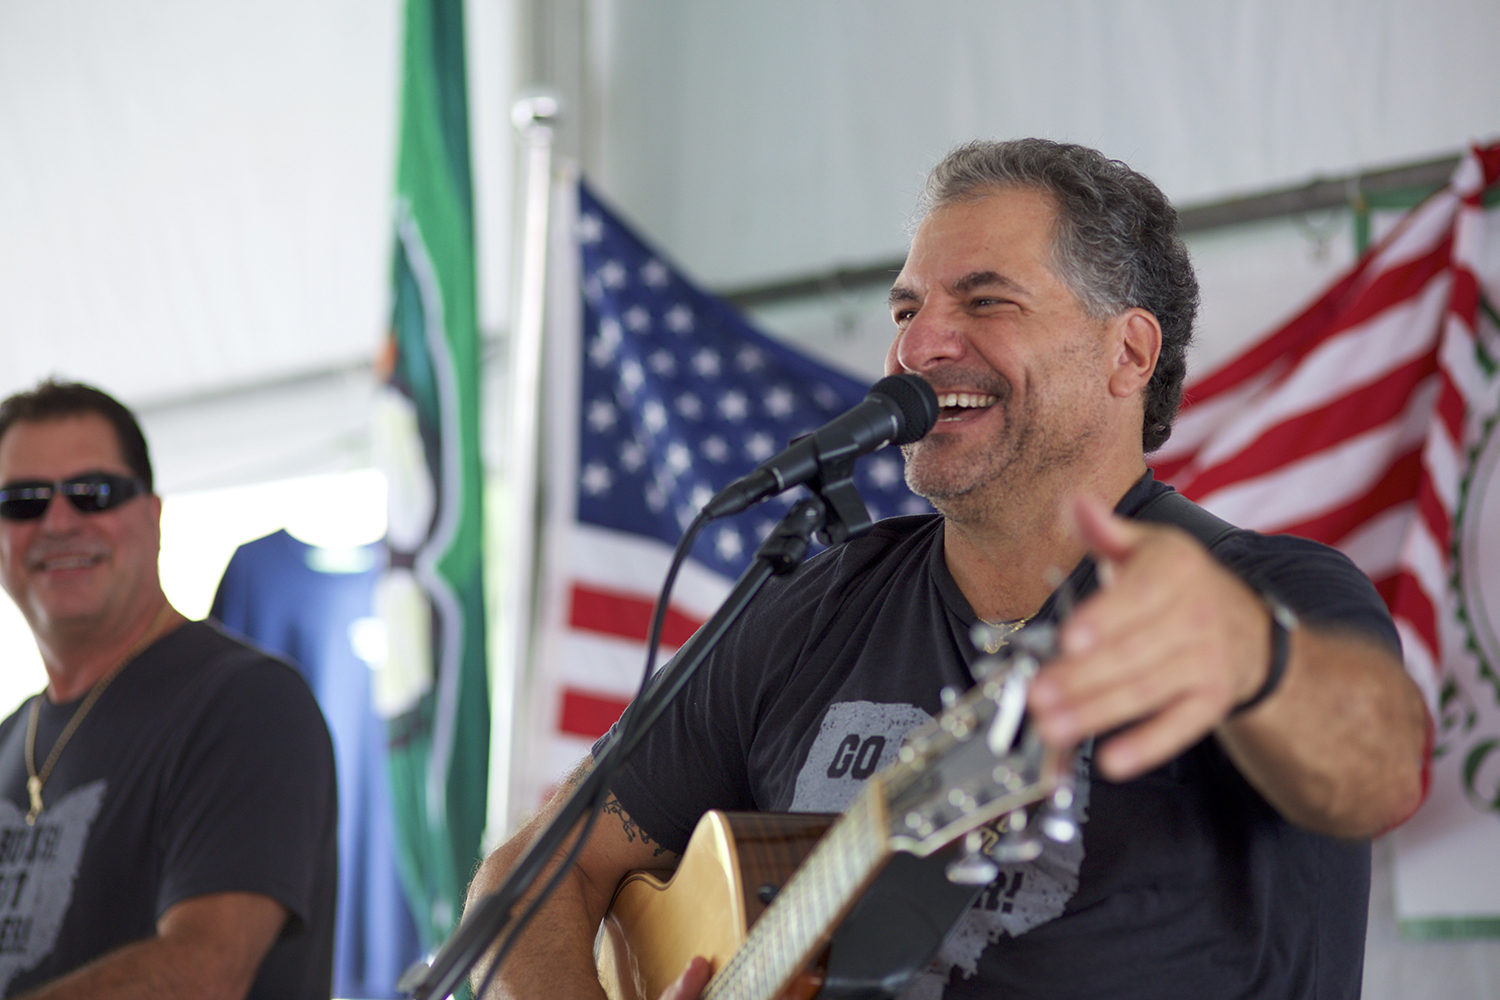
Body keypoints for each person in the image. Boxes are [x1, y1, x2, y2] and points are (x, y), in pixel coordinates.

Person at [465, 139, 1432, 999]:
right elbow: (524, 886)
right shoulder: (807, 610)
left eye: (985, 300)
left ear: (1128, 352)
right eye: (908, 306)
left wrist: (1255, 659)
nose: (917, 344)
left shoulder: (1267, 594)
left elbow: (1383, 772)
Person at [0, 380, 338, 999]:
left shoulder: (248, 704)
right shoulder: (9, 738)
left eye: (92, 494)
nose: (57, 521)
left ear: (153, 517)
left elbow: (203, 973)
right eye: (22, 502)